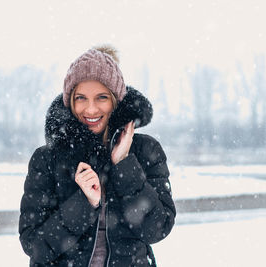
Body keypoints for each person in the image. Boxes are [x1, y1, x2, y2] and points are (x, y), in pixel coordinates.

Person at [19, 45, 176, 267]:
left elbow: (157, 229)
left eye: (101, 97)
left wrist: (124, 165)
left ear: (116, 99)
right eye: (81, 98)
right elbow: (34, 245)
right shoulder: (48, 159)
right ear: (70, 101)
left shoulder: (145, 151)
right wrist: (85, 203)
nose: (90, 110)